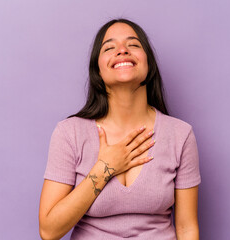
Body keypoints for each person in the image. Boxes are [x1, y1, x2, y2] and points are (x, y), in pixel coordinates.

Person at [39, 18, 201, 240]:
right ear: (98, 69)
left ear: (149, 64)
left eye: (133, 45)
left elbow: (186, 228)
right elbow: (49, 231)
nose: (122, 50)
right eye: (109, 47)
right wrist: (105, 167)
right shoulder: (70, 133)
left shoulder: (180, 135)